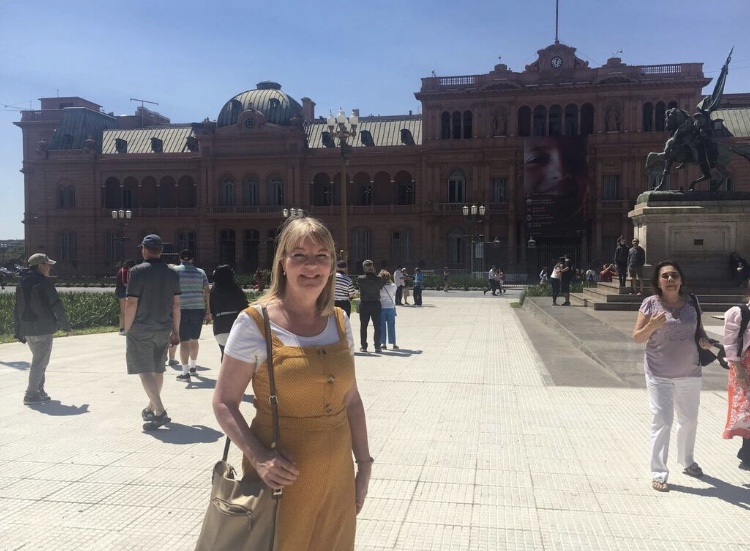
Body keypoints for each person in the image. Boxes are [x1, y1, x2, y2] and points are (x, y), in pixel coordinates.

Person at [212, 216, 372, 550]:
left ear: (331, 265)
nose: (311, 265)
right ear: (283, 263)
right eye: (299, 255)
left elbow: (352, 399)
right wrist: (258, 456)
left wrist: (364, 467)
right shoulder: (254, 323)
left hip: (338, 480)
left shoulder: (339, 320)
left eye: (321, 256)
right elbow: (224, 401)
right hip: (280, 486)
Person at [632, 260, 711, 492]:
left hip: (690, 371)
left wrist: (704, 341)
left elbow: (700, 330)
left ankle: (687, 460)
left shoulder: (692, 302)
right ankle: (659, 471)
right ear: (658, 282)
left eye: (674, 275)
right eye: (665, 276)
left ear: (681, 279)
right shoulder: (650, 304)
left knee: (689, 420)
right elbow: (637, 337)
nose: (670, 279)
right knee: (663, 420)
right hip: (659, 373)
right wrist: (652, 325)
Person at [124, 234, 181, 431]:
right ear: (161, 251)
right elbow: (176, 305)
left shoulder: (138, 271)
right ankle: (151, 407)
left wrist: (127, 327)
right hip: (164, 327)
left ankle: (160, 412)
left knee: (144, 369)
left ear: (145, 249)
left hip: (141, 328)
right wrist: (176, 331)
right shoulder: (172, 273)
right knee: (157, 369)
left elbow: (132, 302)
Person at [13, 253, 73, 405]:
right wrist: (66, 326)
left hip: (27, 329)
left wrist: (18, 329)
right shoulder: (44, 282)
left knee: (39, 361)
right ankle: (31, 394)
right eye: (48, 264)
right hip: (42, 328)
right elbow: (56, 305)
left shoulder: (21, 282)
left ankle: (39, 390)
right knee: (39, 363)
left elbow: (17, 307)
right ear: (40, 266)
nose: (50, 267)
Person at [721, 292, 750, 469]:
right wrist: (738, 369)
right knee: (747, 410)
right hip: (744, 366)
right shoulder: (739, 313)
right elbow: (730, 343)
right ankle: (747, 453)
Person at [173, 250, 211, 382]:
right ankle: (193, 367)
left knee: (184, 341)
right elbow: (207, 292)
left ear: (180, 258)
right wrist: (208, 311)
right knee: (194, 339)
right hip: (198, 309)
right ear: (192, 259)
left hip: (181, 309)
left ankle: (185, 373)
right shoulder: (201, 272)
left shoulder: (175, 271)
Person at [209, 264, 248, 361]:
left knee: (224, 354)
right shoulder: (236, 289)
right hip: (235, 327)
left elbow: (212, 309)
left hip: (219, 329)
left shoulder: (214, 291)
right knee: (239, 358)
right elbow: (244, 306)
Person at [357, 259, 384, 352]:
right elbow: (381, 287)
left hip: (364, 304)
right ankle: (377, 346)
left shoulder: (360, 278)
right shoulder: (378, 278)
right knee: (377, 326)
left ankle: (364, 346)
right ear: (372, 268)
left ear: (364, 268)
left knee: (363, 326)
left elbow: (359, 288)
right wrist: (375, 274)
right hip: (375, 303)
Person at [378, 269, 398, 350]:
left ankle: (383, 343)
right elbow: (394, 288)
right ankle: (393, 343)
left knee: (382, 326)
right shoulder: (393, 286)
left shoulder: (379, 287)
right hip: (390, 307)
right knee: (391, 326)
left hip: (381, 307)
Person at [115, 260, 136, 335]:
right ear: (129, 267)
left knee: (124, 311)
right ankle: (122, 329)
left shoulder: (122, 270)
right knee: (124, 311)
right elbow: (125, 283)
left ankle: (124, 328)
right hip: (122, 293)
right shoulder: (124, 271)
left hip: (121, 292)